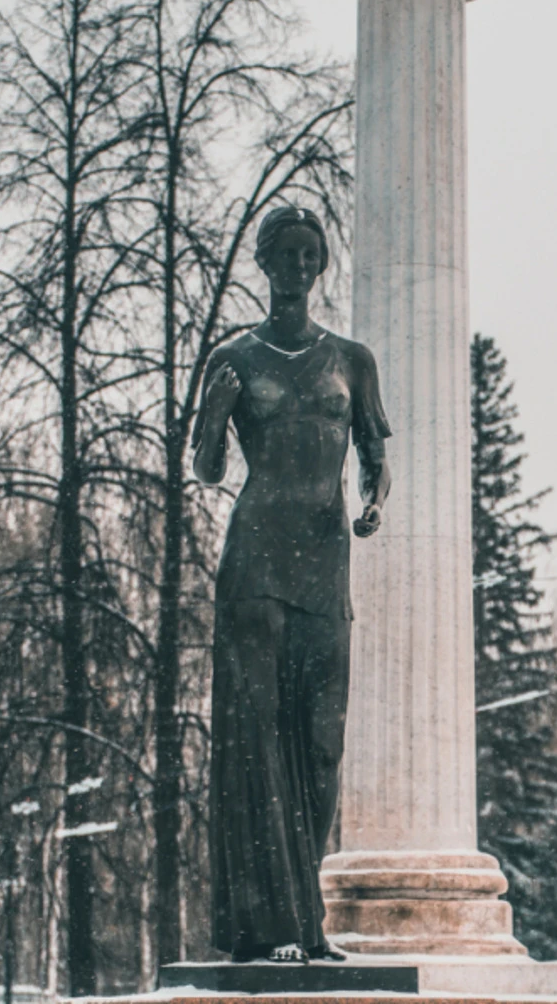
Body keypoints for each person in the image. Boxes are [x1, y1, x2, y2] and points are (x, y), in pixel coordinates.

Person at [192, 204, 392, 963]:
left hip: (324, 560)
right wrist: (213, 416)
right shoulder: (235, 358)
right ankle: (276, 928)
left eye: (312, 255)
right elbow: (208, 468)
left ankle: (302, 916)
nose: (300, 267)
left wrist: (373, 505)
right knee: (257, 743)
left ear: (320, 266)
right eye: (287, 255)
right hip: (256, 563)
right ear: (266, 263)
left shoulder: (352, 359)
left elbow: (375, 456)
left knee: (317, 746)